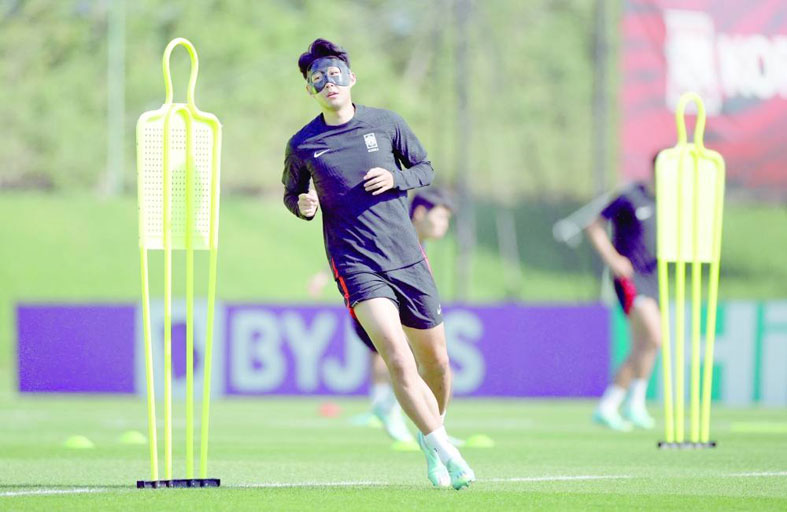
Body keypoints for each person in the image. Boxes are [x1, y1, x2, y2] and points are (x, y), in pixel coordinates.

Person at [282, 38, 474, 489]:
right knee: (397, 357)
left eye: (334, 75)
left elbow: (425, 169)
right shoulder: (304, 144)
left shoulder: (387, 124)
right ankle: (447, 451)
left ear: (351, 79)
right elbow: (292, 193)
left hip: (406, 258)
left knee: (437, 364)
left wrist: (396, 177)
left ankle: (431, 436)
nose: (328, 83)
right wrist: (303, 205)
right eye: (317, 79)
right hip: (355, 264)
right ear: (310, 90)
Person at [309, 189, 455, 445]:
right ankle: (394, 410)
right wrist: (323, 274)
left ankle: (391, 408)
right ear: (421, 213)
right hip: (370, 299)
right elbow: (355, 245)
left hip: (378, 299)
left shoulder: (415, 241)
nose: (445, 225)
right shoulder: (395, 228)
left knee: (411, 357)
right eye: (441, 217)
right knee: (409, 355)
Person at [585, 171, 660, 432]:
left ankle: (618, 404)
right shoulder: (631, 196)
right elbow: (594, 225)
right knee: (653, 336)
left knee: (646, 344)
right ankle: (630, 403)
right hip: (630, 277)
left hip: (654, 278)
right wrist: (613, 259)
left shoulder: (669, 202)